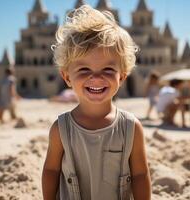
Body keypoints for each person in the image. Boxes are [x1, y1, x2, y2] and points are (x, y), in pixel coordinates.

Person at [42, 5, 151, 200]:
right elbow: (51, 170)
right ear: (67, 77)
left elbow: (140, 175)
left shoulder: (130, 127)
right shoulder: (61, 128)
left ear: (122, 76)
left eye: (108, 70)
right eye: (84, 70)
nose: (96, 78)